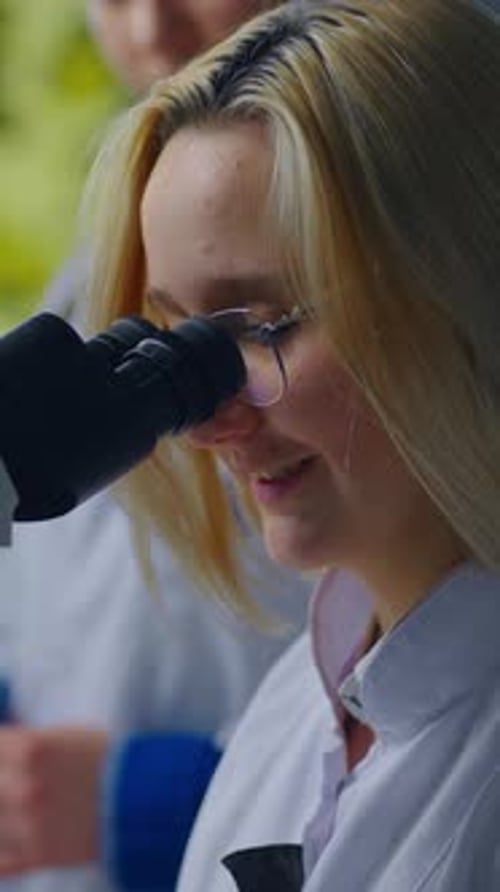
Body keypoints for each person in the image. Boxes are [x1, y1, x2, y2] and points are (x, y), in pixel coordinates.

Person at [84, 0, 500, 889]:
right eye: (172, 341)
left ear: (462, 288)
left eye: (262, 324)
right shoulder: (299, 713)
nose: (204, 422)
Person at [0, 3, 316, 892]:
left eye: (258, 327)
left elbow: (426, 730)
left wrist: (148, 800)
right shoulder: (112, 245)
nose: (149, 26)